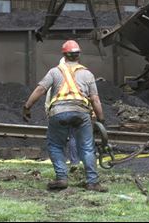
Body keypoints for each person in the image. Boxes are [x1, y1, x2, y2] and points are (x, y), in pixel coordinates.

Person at [22, 40, 107, 192]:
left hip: (58, 113)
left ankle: (61, 178)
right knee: (87, 148)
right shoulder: (87, 74)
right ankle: (92, 182)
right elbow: (95, 99)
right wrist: (101, 120)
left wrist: (27, 107)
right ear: (78, 55)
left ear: (64, 55)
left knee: (55, 145)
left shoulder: (54, 72)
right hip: (81, 113)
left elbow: (40, 90)